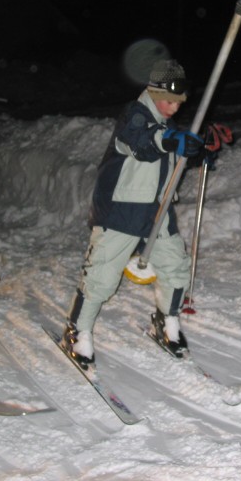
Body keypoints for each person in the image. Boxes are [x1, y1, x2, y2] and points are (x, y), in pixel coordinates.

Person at [62, 59, 204, 369]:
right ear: (154, 93)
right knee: (102, 274)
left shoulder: (167, 124)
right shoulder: (134, 115)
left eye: (179, 102)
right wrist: (171, 140)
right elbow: (142, 143)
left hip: (158, 209)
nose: (174, 108)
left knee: (175, 266)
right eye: (169, 101)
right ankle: (78, 330)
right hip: (121, 208)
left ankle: (167, 321)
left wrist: (198, 149)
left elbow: (171, 157)